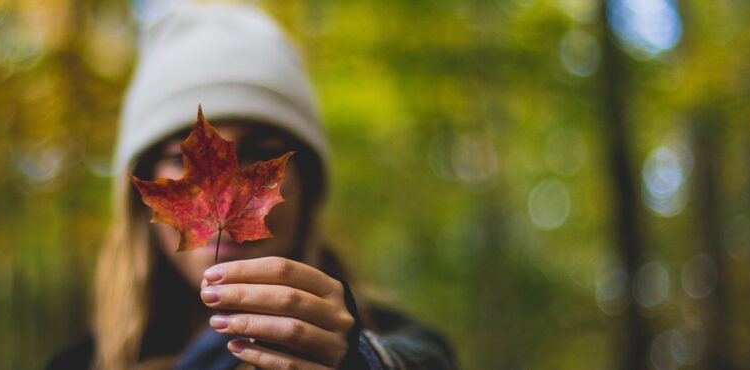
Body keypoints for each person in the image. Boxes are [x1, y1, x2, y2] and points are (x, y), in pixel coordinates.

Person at [47, 2, 456, 369]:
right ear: (142, 195)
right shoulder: (80, 363)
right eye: (181, 158)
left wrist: (365, 361)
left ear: (307, 188)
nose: (222, 191)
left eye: (261, 154)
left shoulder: (400, 343)